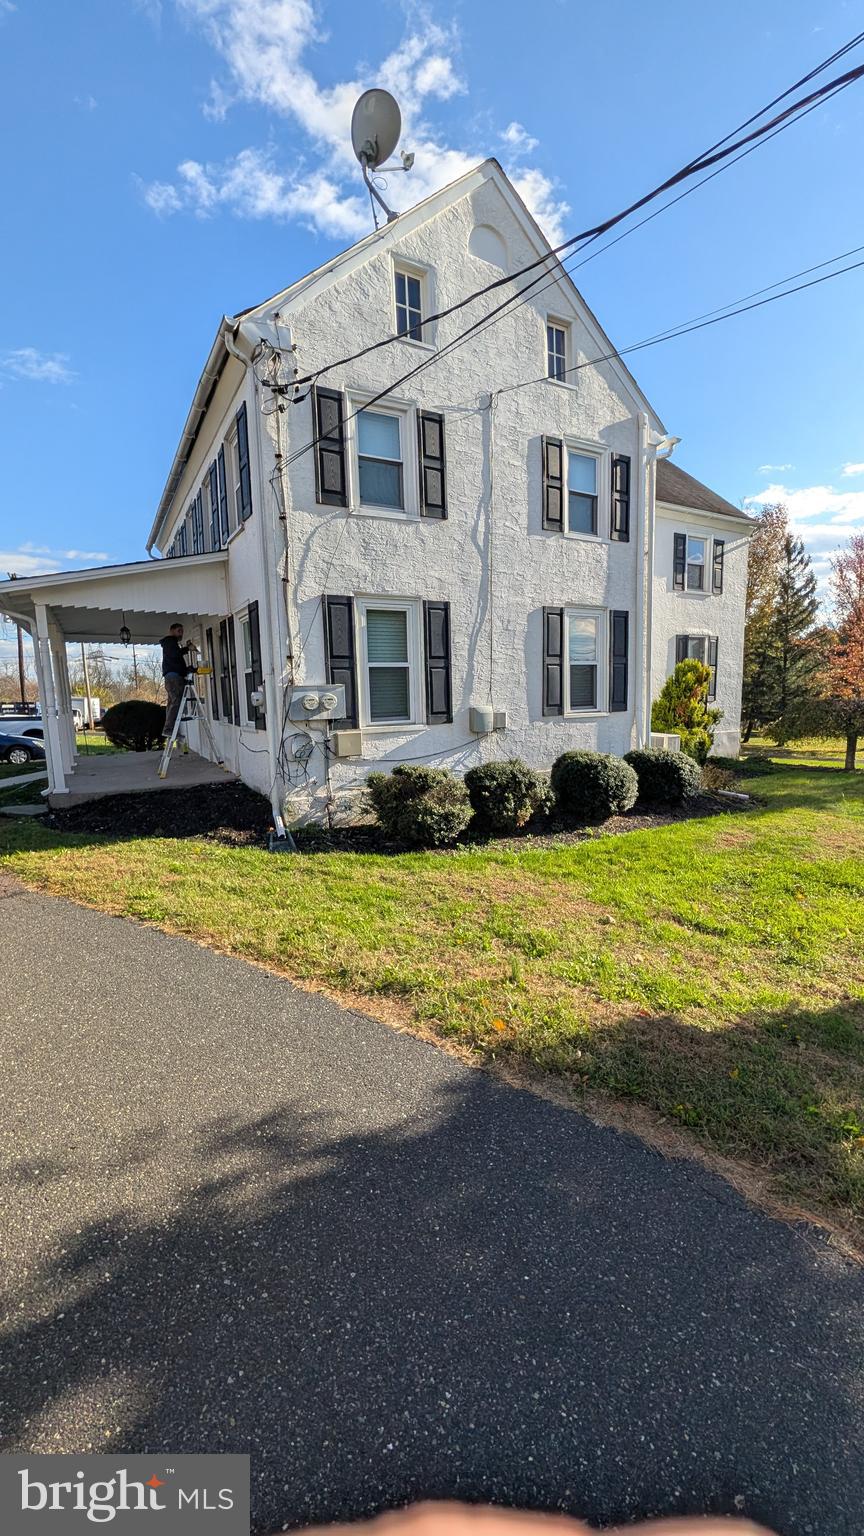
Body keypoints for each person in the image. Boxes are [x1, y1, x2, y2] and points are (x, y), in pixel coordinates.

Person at [160, 622, 194, 742]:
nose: (181, 633)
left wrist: (186, 670)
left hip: (172, 677)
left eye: (182, 631)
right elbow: (175, 656)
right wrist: (187, 649)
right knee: (176, 702)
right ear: (172, 630)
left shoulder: (171, 644)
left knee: (171, 703)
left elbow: (175, 661)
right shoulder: (170, 642)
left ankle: (168, 728)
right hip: (174, 678)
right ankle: (168, 729)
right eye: (179, 631)